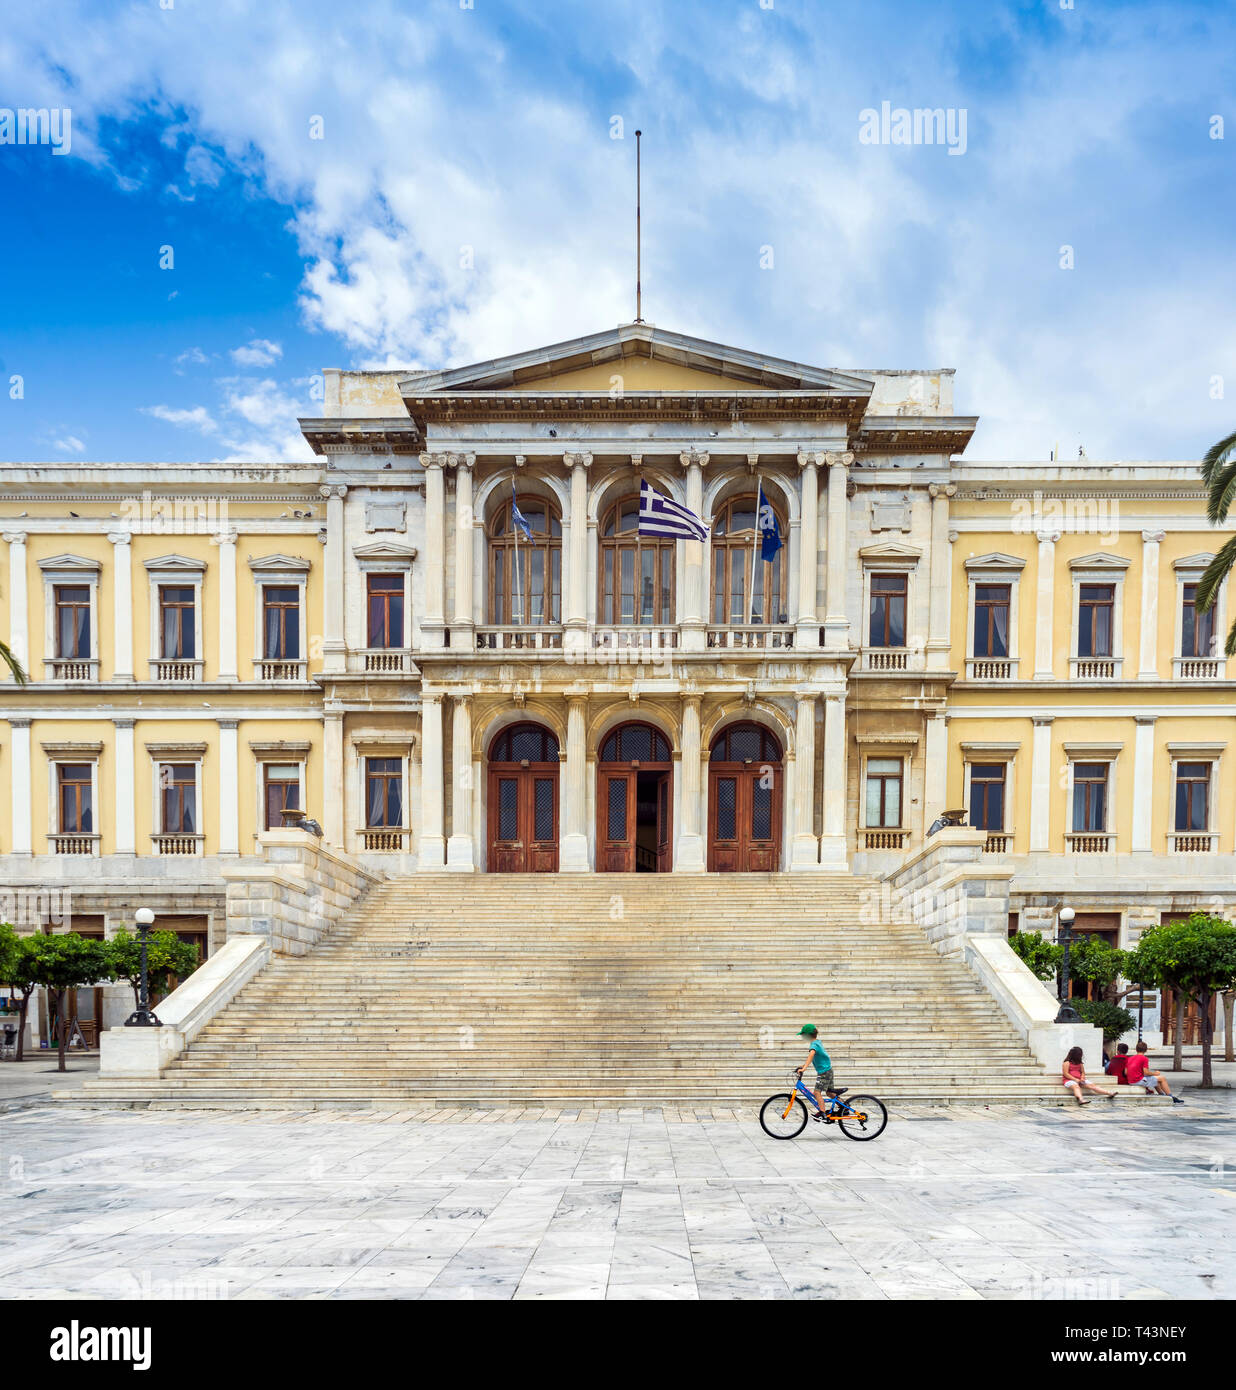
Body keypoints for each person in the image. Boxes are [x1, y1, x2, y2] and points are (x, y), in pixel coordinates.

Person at [795, 1024, 837, 1122]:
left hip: (824, 1072)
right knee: (830, 1093)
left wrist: (804, 1068)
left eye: (803, 1035)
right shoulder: (817, 1042)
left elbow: (812, 1054)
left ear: (808, 1035)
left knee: (816, 1092)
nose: (802, 1037)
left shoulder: (814, 1045)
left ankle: (822, 1113)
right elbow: (815, 1056)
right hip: (828, 1070)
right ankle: (845, 1107)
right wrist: (803, 1065)